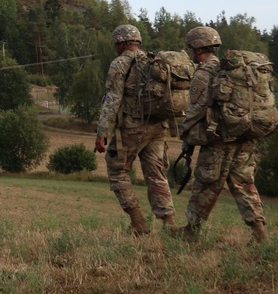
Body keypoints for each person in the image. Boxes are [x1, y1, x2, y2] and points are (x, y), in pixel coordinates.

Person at [179, 26, 268, 242]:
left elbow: (197, 108)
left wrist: (184, 133)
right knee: (244, 184)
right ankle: (259, 233)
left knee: (205, 183)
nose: (189, 52)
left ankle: (191, 231)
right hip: (243, 135)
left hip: (219, 139)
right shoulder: (230, 69)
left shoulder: (205, 71)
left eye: (190, 47)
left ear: (198, 48)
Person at [94, 24, 177, 236]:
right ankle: (169, 224)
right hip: (158, 126)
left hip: (133, 127)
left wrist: (102, 132)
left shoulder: (120, 64)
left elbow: (113, 100)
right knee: (156, 173)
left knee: (117, 169)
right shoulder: (152, 61)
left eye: (116, 44)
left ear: (121, 43)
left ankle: (138, 222)